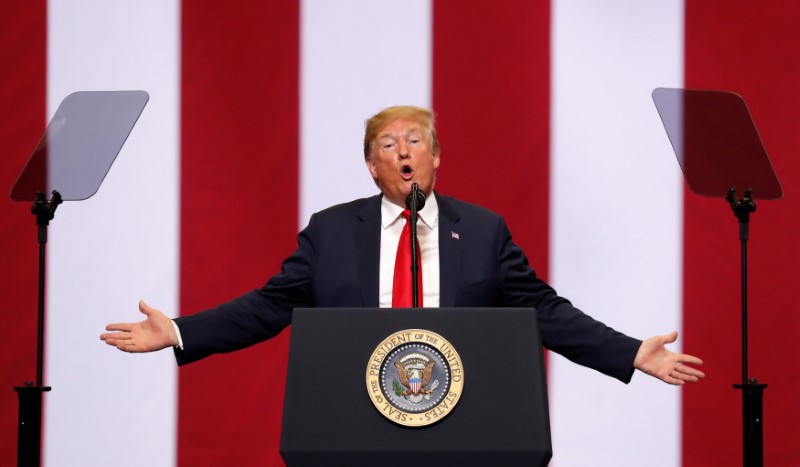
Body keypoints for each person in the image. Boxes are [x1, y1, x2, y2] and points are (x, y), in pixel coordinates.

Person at [101, 105, 704, 385]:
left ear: (436, 158)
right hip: (356, 418)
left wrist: (629, 353)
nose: (404, 151)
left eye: (415, 140)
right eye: (388, 144)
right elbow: (267, 307)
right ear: (371, 166)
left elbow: (545, 312)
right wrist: (178, 331)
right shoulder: (332, 232)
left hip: (463, 416)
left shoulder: (485, 230)